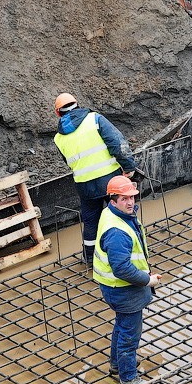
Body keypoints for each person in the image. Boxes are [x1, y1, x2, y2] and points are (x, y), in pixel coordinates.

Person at [53, 92, 139, 264]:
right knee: (122, 213)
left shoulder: (58, 138)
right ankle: (132, 249)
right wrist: (129, 167)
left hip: (85, 186)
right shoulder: (94, 119)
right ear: (77, 105)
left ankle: (91, 258)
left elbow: (68, 161)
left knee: (91, 222)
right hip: (110, 180)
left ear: (58, 113)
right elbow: (117, 144)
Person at [93, 175, 161, 384]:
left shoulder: (113, 214)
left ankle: (117, 365)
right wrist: (147, 281)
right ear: (113, 201)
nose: (130, 202)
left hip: (114, 287)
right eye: (124, 199)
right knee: (130, 335)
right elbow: (122, 268)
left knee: (122, 326)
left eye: (131, 197)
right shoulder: (117, 232)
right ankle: (129, 376)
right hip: (123, 289)